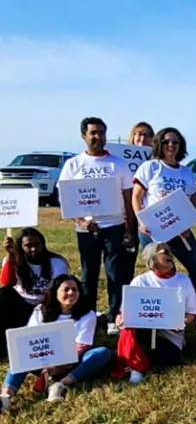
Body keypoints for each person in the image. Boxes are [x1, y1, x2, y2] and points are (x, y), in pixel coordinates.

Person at [57, 117, 136, 334]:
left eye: (101, 132)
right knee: (88, 274)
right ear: (84, 136)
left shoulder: (118, 164)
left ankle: (113, 318)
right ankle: (87, 316)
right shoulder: (73, 164)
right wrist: (80, 221)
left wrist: (129, 228)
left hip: (115, 225)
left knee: (115, 274)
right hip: (86, 229)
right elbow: (65, 197)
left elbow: (129, 198)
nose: (98, 137)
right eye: (93, 132)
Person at [1, 274, 110, 413]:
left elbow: (82, 346)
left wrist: (58, 365)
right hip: (41, 361)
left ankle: (60, 384)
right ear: (55, 292)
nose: (71, 293)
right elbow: (29, 340)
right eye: (66, 289)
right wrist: (47, 364)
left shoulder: (87, 314)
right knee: (20, 356)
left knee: (102, 353)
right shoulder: (40, 311)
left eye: (74, 289)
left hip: (72, 361)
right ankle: (5, 396)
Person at [112, 243, 196, 385]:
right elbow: (125, 311)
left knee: (165, 359)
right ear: (153, 259)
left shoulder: (183, 281)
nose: (170, 255)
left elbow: (192, 311)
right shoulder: (140, 281)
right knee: (129, 330)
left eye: (171, 251)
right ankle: (135, 368)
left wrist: (183, 322)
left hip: (170, 333)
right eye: (165, 252)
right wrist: (119, 318)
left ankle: (139, 360)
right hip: (144, 330)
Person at [132, 127, 196, 292]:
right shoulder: (150, 167)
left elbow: (191, 199)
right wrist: (141, 220)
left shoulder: (185, 172)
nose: (171, 145)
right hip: (153, 230)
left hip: (180, 230)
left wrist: (187, 223)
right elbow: (136, 196)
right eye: (166, 141)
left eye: (175, 142)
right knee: (160, 271)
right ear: (159, 144)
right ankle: (163, 308)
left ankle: (190, 306)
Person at [0, 229, 69, 357]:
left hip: (47, 307)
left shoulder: (57, 262)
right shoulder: (14, 261)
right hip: (23, 307)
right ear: (20, 247)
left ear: (43, 244)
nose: (33, 249)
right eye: (28, 246)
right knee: (4, 293)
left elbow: (60, 290)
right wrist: (10, 256)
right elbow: (7, 283)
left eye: (36, 244)